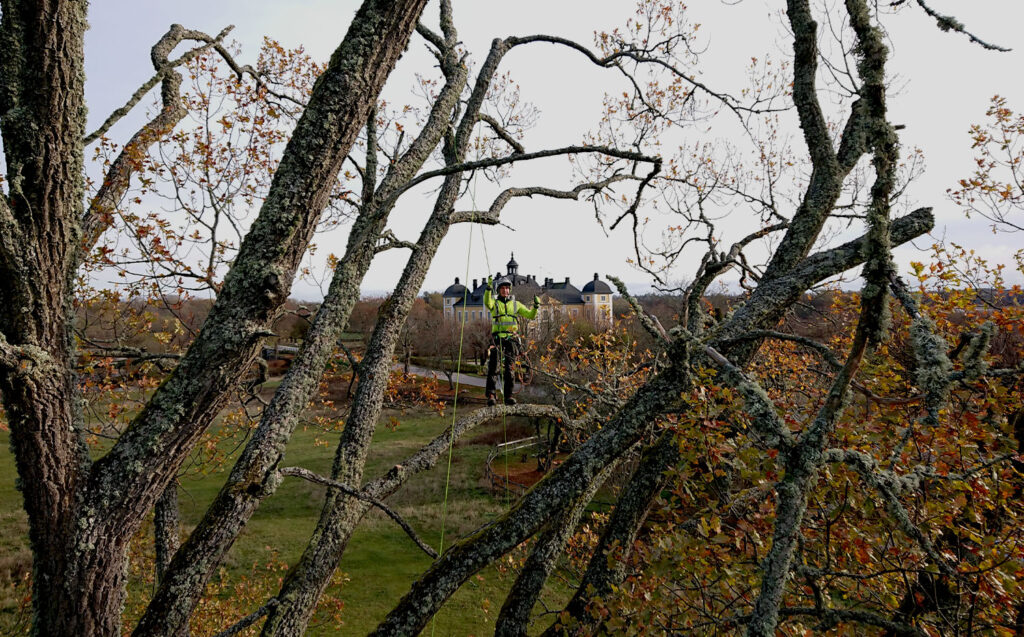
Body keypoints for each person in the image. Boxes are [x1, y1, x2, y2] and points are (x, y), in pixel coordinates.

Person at [484, 275, 539, 406]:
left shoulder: (516, 305)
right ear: (499, 291)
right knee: (494, 367)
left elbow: (531, 315)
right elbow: (487, 302)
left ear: (510, 290)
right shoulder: (495, 303)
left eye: (507, 288)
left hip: (512, 339)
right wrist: (488, 288)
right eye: (502, 288)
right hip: (498, 339)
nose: (505, 291)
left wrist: (536, 306)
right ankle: (491, 395)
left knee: (510, 369)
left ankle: (508, 396)